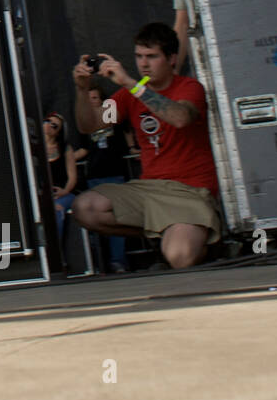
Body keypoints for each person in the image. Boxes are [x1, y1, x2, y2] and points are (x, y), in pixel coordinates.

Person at [71, 22, 223, 269]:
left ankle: (202, 243)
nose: (143, 64)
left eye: (151, 57)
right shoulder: (129, 94)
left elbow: (180, 118)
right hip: (149, 189)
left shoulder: (189, 87)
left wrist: (131, 83)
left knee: (179, 257)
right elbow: (91, 125)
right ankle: (161, 233)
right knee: (85, 207)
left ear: (172, 59)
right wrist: (81, 89)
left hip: (191, 191)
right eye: (139, 56)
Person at [75, 86, 132, 272]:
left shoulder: (111, 114)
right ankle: (100, 263)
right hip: (94, 175)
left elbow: (127, 130)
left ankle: (119, 261)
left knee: (118, 216)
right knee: (96, 219)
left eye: (95, 97)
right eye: (89, 97)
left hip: (115, 172)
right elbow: (83, 149)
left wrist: (132, 148)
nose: (92, 100)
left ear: (101, 99)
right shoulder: (86, 122)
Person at [44, 113, 79, 244]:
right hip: (43, 196)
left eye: (54, 125)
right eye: (47, 121)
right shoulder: (32, 147)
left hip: (63, 194)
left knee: (56, 212)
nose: (48, 125)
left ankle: (57, 255)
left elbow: (72, 177)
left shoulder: (65, 149)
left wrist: (64, 191)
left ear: (58, 132)